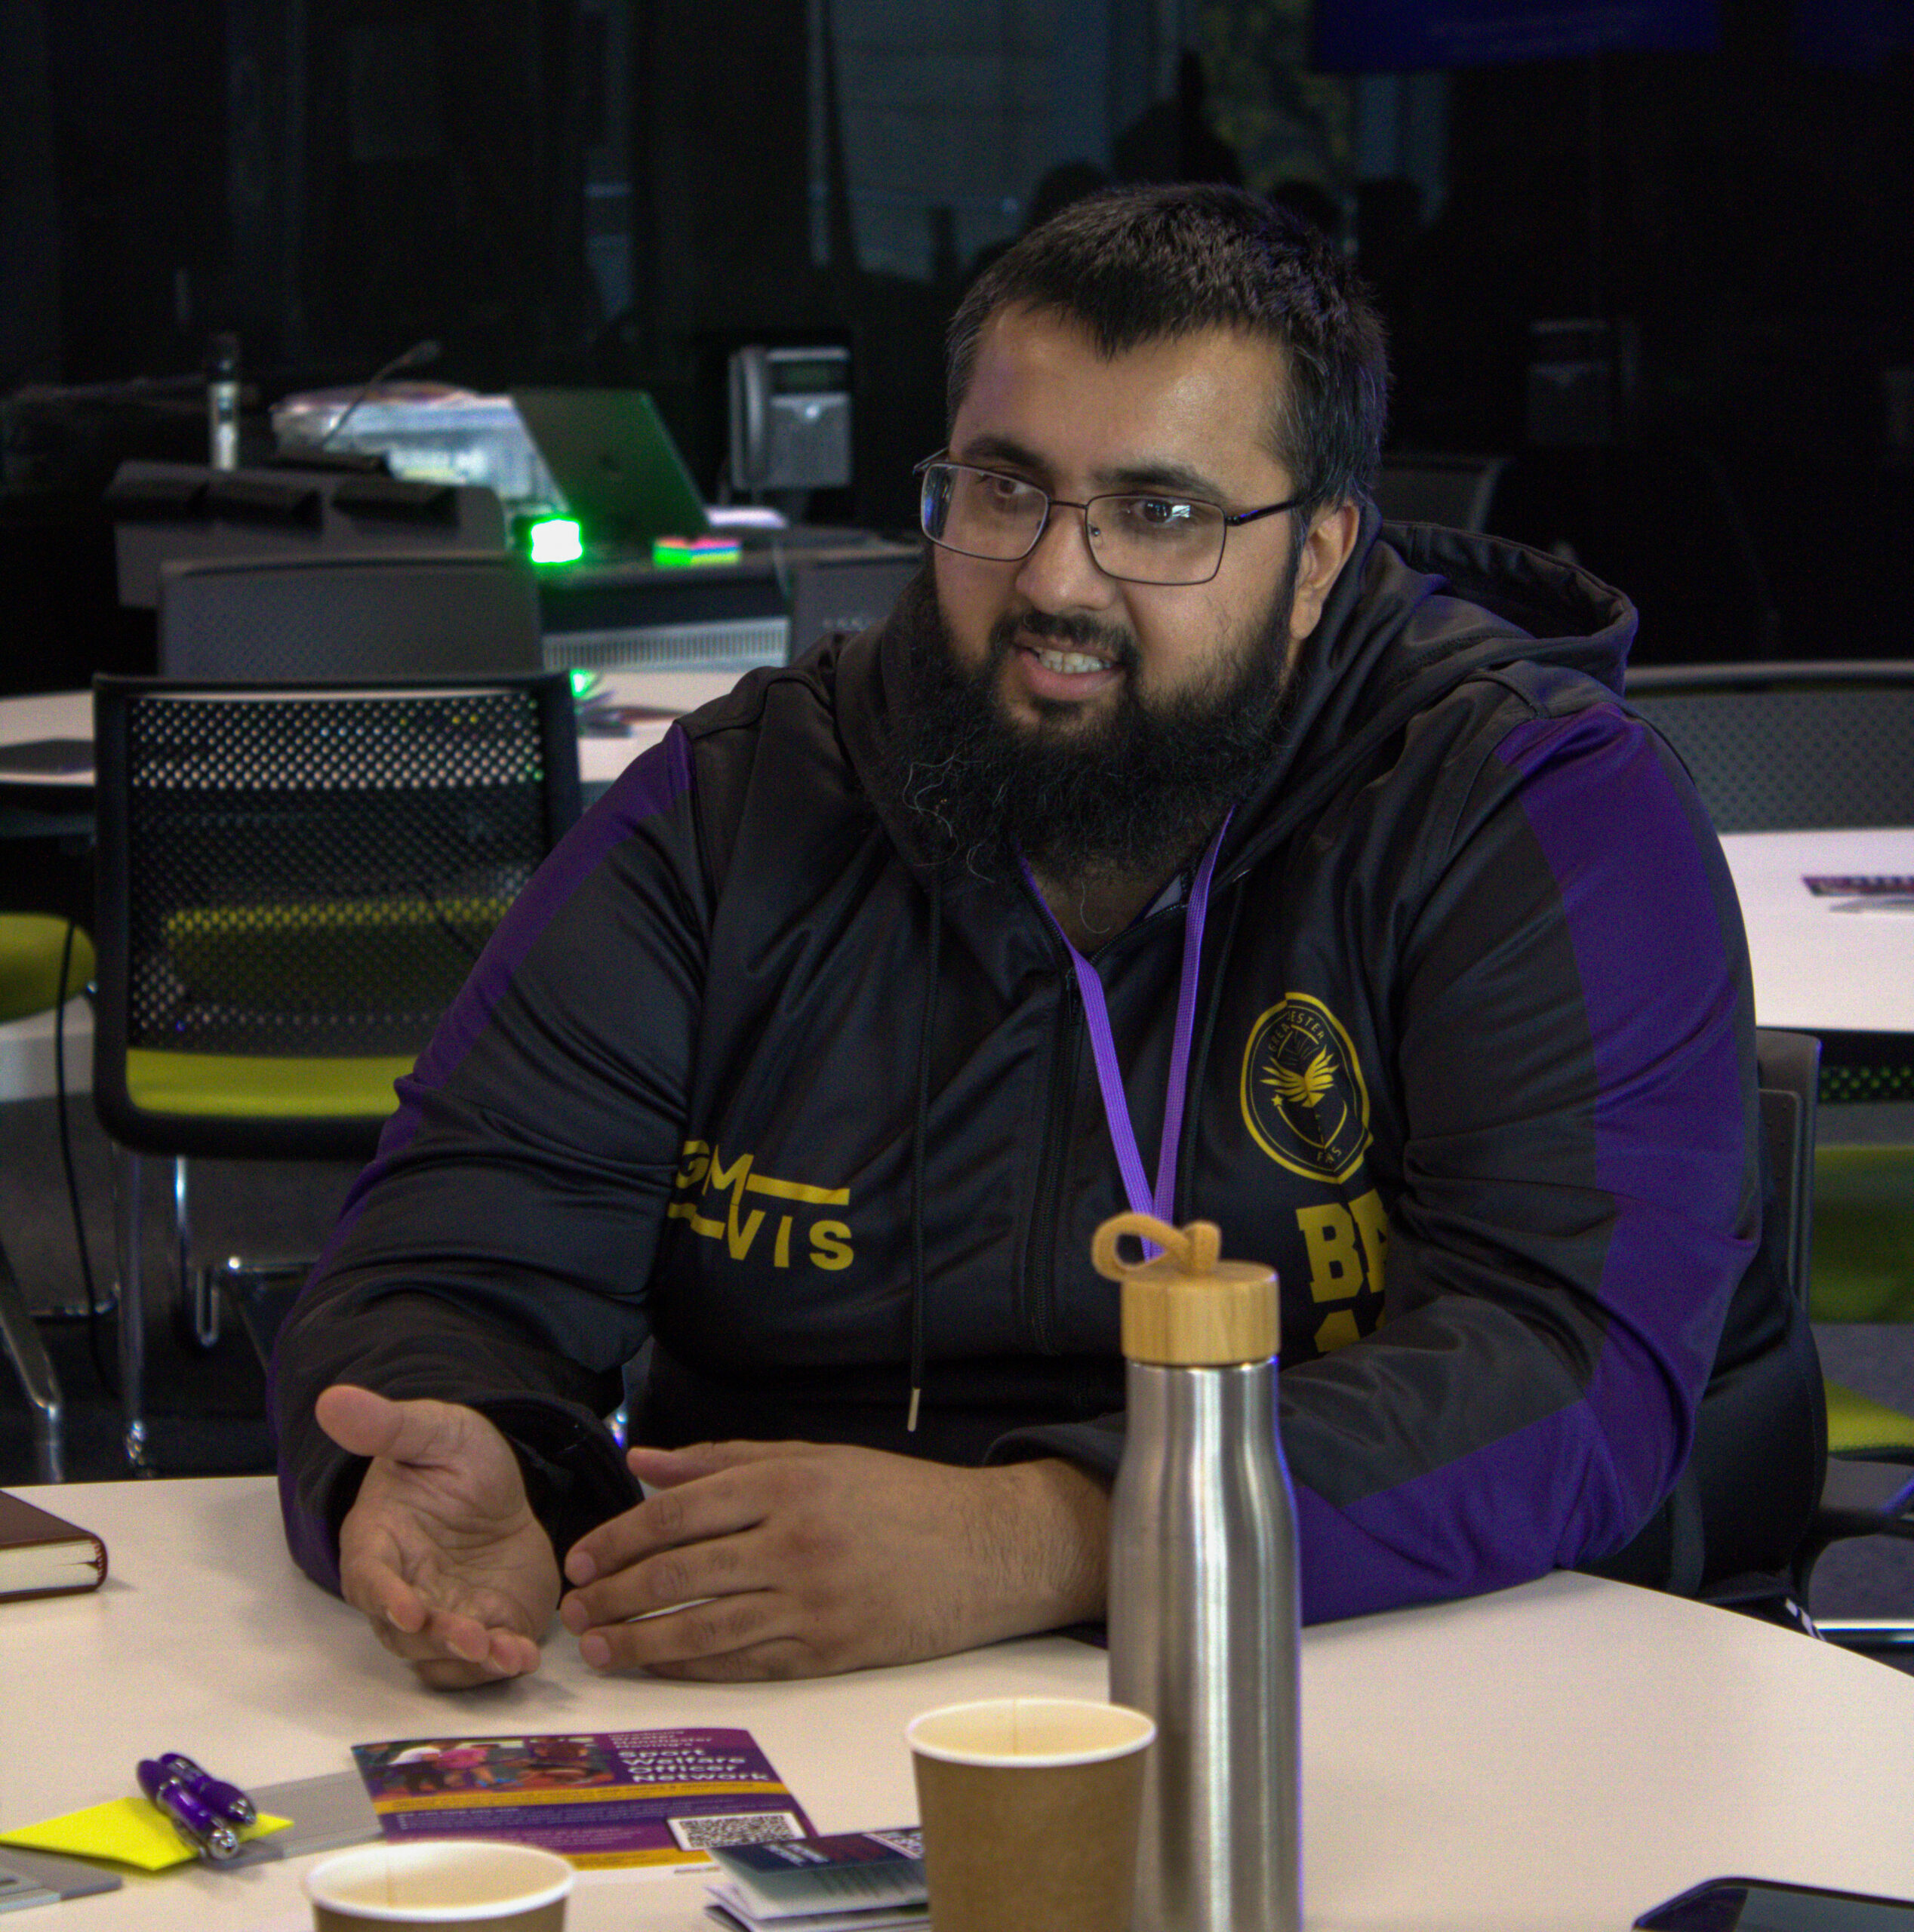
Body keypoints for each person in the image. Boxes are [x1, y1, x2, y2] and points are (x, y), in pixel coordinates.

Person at [272, 184, 1820, 1690]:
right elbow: (454, 1251)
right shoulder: (739, 802)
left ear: (1321, 557)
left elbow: (1561, 1362)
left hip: (1404, 1674)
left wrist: (1042, 1532)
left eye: (1159, 511)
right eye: (1002, 487)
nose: (1054, 578)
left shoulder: (1528, 799)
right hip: (799, 1688)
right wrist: (453, 1442)